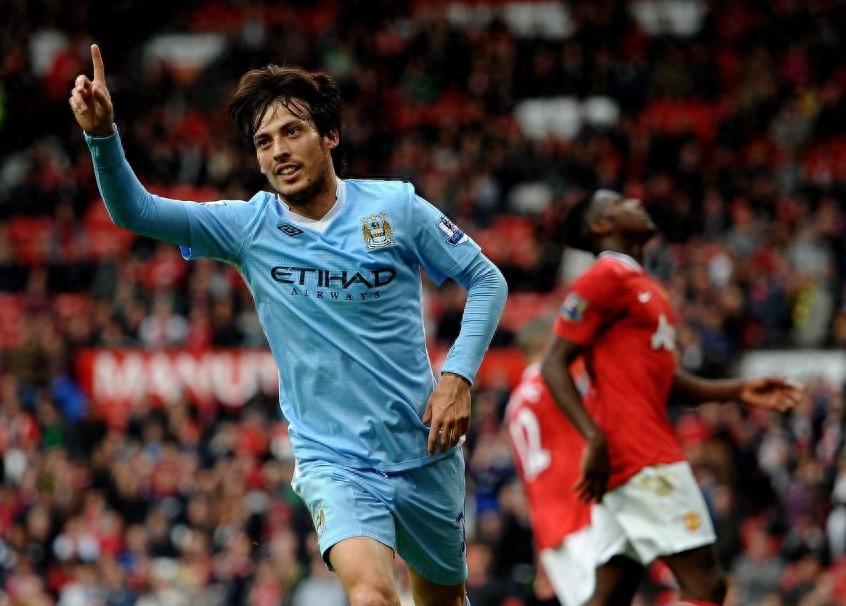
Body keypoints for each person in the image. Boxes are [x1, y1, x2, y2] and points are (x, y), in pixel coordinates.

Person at [69, 45, 507, 606]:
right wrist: (102, 136)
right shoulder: (249, 228)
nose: (278, 150)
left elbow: (486, 279)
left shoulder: (395, 207)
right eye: (264, 141)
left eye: (292, 132)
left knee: (442, 599)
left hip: (424, 448)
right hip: (334, 460)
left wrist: (458, 377)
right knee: (371, 595)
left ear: (330, 136)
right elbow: (137, 211)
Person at [538, 190, 803, 606]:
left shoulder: (644, 287)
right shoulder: (605, 277)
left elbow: (668, 383)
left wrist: (739, 390)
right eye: (619, 204)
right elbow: (553, 364)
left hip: (626, 459)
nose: (635, 203)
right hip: (642, 457)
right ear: (601, 226)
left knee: (610, 594)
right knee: (706, 585)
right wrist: (593, 437)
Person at [504, 320, 593, 606]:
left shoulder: (514, 403)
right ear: (549, 344)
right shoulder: (555, 383)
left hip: (547, 523)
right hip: (579, 508)